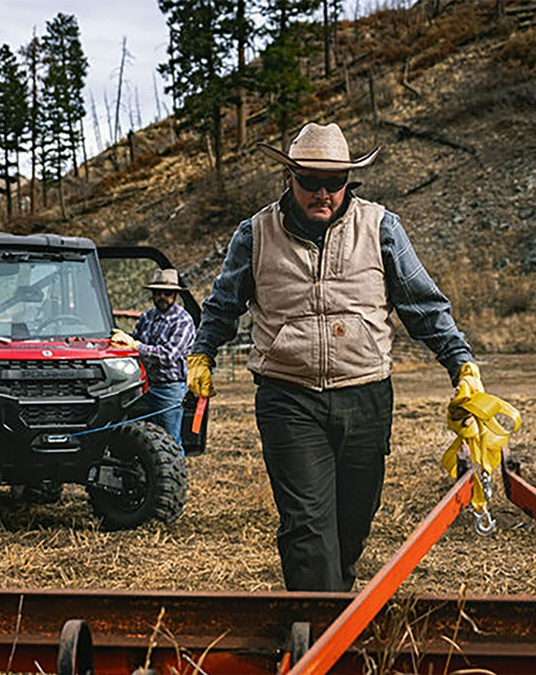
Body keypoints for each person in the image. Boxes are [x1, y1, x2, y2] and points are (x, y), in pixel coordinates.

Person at [186, 122, 481, 592]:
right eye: (310, 181)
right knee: (307, 525)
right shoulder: (255, 234)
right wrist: (202, 352)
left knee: (352, 523)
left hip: (366, 397)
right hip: (288, 398)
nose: (323, 193)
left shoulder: (381, 227)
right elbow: (223, 304)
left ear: (348, 181)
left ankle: (333, 605)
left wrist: (460, 363)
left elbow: (423, 305)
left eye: (335, 182)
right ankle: (318, 627)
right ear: (288, 178)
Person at [111, 268, 196, 454]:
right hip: (143, 386)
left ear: (175, 295)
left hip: (169, 388)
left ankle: (175, 472)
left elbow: (168, 356)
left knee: (170, 440)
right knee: (140, 437)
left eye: (167, 293)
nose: (162, 297)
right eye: (158, 292)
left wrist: (135, 346)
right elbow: (133, 343)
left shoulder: (183, 321)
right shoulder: (147, 316)